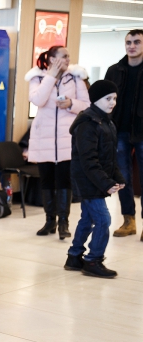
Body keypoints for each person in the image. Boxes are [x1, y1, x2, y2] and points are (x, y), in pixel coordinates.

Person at [26, 46, 90, 239]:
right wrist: (51, 76)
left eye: (69, 56)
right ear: (52, 59)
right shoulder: (37, 77)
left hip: (67, 137)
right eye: (64, 56)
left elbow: (87, 105)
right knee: (46, 180)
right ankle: (49, 222)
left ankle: (64, 222)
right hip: (43, 136)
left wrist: (71, 104)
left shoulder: (76, 77)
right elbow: (37, 99)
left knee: (64, 180)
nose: (68, 59)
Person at [65, 81, 125, 278]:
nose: (113, 102)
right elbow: (88, 161)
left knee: (88, 218)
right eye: (108, 98)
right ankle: (93, 260)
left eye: (114, 98)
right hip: (86, 180)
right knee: (103, 219)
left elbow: (109, 157)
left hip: (96, 179)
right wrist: (106, 183)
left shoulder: (107, 122)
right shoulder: (88, 124)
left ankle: (74, 257)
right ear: (96, 100)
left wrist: (117, 177)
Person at [105, 29, 143, 239]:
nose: (132, 46)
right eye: (129, 42)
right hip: (119, 130)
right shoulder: (114, 71)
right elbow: (103, 100)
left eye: (137, 42)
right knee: (123, 178)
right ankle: (129, 220)